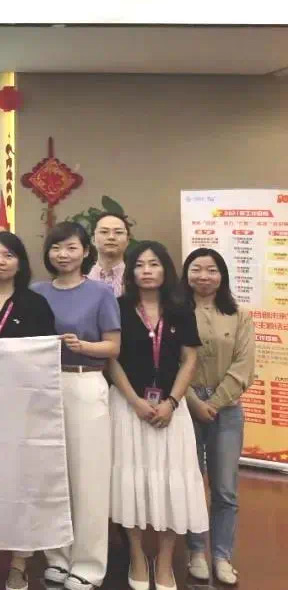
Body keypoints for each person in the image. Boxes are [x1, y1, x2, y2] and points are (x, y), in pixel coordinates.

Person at [108, 242, 207, 590]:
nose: (147, 271)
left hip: (171, 410)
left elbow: (190, 360)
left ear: (166, 269)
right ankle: (137, 556)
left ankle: (165, 562)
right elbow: (111, 359)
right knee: (130, 481)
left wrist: (173, 402)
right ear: (131, 272)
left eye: (154, 264)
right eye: (139, 265)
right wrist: (134, 401)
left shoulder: (181, 309)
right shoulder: (118, 307)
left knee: (171, 483)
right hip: (128, 407)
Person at [31, 222, 121, 590]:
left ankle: (88, 565)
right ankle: (57, 557)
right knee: (52, 476)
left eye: (71, 247)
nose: (63, 254)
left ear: (86, 251)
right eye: (56, 248)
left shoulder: (101, 292)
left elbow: (112, 346)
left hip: (84, 383)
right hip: (44, 387)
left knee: (88, 479)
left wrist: (83, 346)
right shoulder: (37, 292)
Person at [0, 232, 56, 590]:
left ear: (20, 262)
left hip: (23, 407)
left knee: (22, 482)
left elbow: (45, 356)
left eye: (7, 255)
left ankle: (20, 561)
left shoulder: (35, 304)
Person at [180, 248, 255, 586]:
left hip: (227, 410)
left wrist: (215, 402)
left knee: (225, 489)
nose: (204, 276)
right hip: (185, 406)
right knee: (192, 484)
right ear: (186, 274)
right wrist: (193, 401)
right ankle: (196, 552)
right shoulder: (176, 312)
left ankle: (222, 555)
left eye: (211, 270)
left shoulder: (239, 314)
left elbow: (244, 366)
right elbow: (171, 361)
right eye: (196, 269)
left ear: (222, 275)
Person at [88, 212, 130, 297]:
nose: (111, 237)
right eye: (104, 232)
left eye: (118, 232)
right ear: (93, 240)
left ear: (127, 241)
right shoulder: (82, 278)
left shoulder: (135, 278)